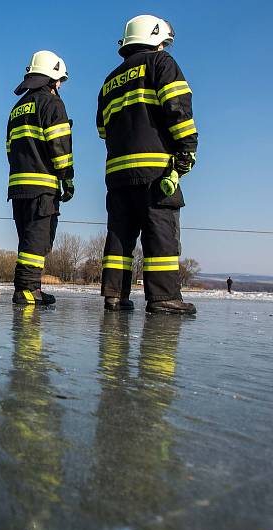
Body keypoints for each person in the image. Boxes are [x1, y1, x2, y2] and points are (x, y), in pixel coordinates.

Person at [97, 15, 198, 314]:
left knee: (119, 237)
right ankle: (164, 297)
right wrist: (186, 151)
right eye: (164, 42)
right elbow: (177, 108)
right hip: (155, 171)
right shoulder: (161, 63)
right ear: (156, 39)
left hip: (117, 174)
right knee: (160, 234)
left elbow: (103, 128)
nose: (165, 46)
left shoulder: (110, 80)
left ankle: (115, 296)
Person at [6, 50, 74, 305]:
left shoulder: (17, 107)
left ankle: (28, 288)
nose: (60, 86)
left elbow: (9, 149)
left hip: (18, 187)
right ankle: (27, 290)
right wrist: (67, 178)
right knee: (37, 240)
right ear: (51, 79)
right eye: (59, 81)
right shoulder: (52, 104)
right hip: (42, 186)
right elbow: (60, 147)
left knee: (27, 239)